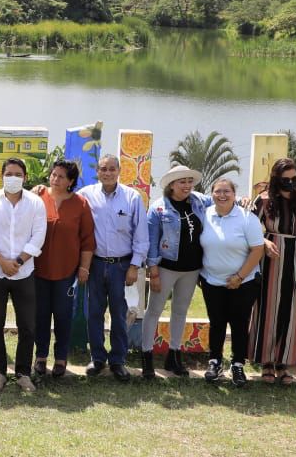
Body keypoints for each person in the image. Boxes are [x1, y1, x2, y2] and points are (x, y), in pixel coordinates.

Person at [0, 158, 47, 391]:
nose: (13, 178)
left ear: (25, 177)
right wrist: (2, 262)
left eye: (18, 174)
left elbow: (38, 235)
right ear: (2, 176)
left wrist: (17, 262)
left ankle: (23, 373)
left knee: (27, 325)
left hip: (24, 271)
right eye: (9, 174)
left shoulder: (36, 203)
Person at [78, 154, 149, 382]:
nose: (107, 173)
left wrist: (134, 266)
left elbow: (141, 236)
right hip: (96, 265)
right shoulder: (85, 195)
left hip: (122, 266)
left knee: (119, 314)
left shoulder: (132, 197)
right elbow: (64, 200)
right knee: (94, 313)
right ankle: (98, 358)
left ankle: (118, 360)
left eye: (111, 169)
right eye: (103, 169)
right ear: (97, 172)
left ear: (119, 171)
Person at [250, 157, 296, 385]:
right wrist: (264, 241)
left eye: (294, 178)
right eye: (285, 179)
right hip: (270, 260)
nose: (290, 183)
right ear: (276, 178)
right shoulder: (264, 199)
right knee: (268, 309)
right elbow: (248, 227)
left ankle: (284, 362)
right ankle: (266, 361)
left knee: (292, 311)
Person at [142, 165, 211, 379]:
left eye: (190, 181)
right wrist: (153, 272)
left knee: (180, 311)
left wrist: (242, 200)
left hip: (191, 269)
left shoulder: (199, 201)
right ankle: (146, 357)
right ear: (171, 185)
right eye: (182, 181)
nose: (187, 185)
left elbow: (221, 198)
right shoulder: (158, 208)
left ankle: (173, 356)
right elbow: (152, 241)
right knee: (154, 311)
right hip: (166, 267)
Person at [197, 177, 265, 386]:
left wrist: (239, 277)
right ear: (212, 194)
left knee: (239, 323)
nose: (222, 195)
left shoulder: (247, 217)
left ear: (235, 195)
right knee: (216, 322)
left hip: (244, 282)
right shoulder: (205, 214)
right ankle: (215, 362)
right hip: (211, 280)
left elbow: (257, 250)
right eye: (218, 191)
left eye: (227, 191)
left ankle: (237, 364)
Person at [31, 159, 95, 379]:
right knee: (40, 315)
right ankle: (40, 357)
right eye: (53, 174)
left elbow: (87, 240)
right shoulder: (37, 197)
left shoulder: (81, 204)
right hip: (37, 270)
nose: (55, 179)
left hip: (66, 273)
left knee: (63, 316)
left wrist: (84, 268)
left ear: (71, 181)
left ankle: (60, 358)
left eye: (61, 176)